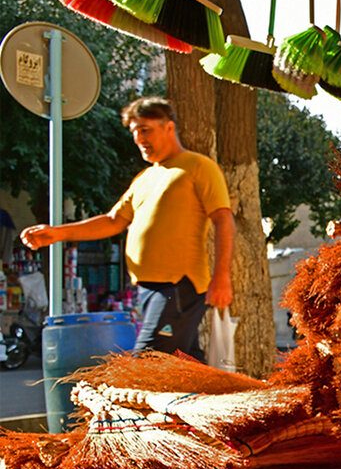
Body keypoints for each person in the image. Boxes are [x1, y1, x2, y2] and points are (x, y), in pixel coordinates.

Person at [20, 97, 234, 361]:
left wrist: (222, 275)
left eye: (145, 129)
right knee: (186, 364)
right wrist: (57, 233)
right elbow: (113, 221)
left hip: (178, 286)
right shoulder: (145, 178)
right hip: (146, 289)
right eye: (134, 132)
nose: (139, 138)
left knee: (147, 360)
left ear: (168, 127)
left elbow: (223, 218)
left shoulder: (199, 167)